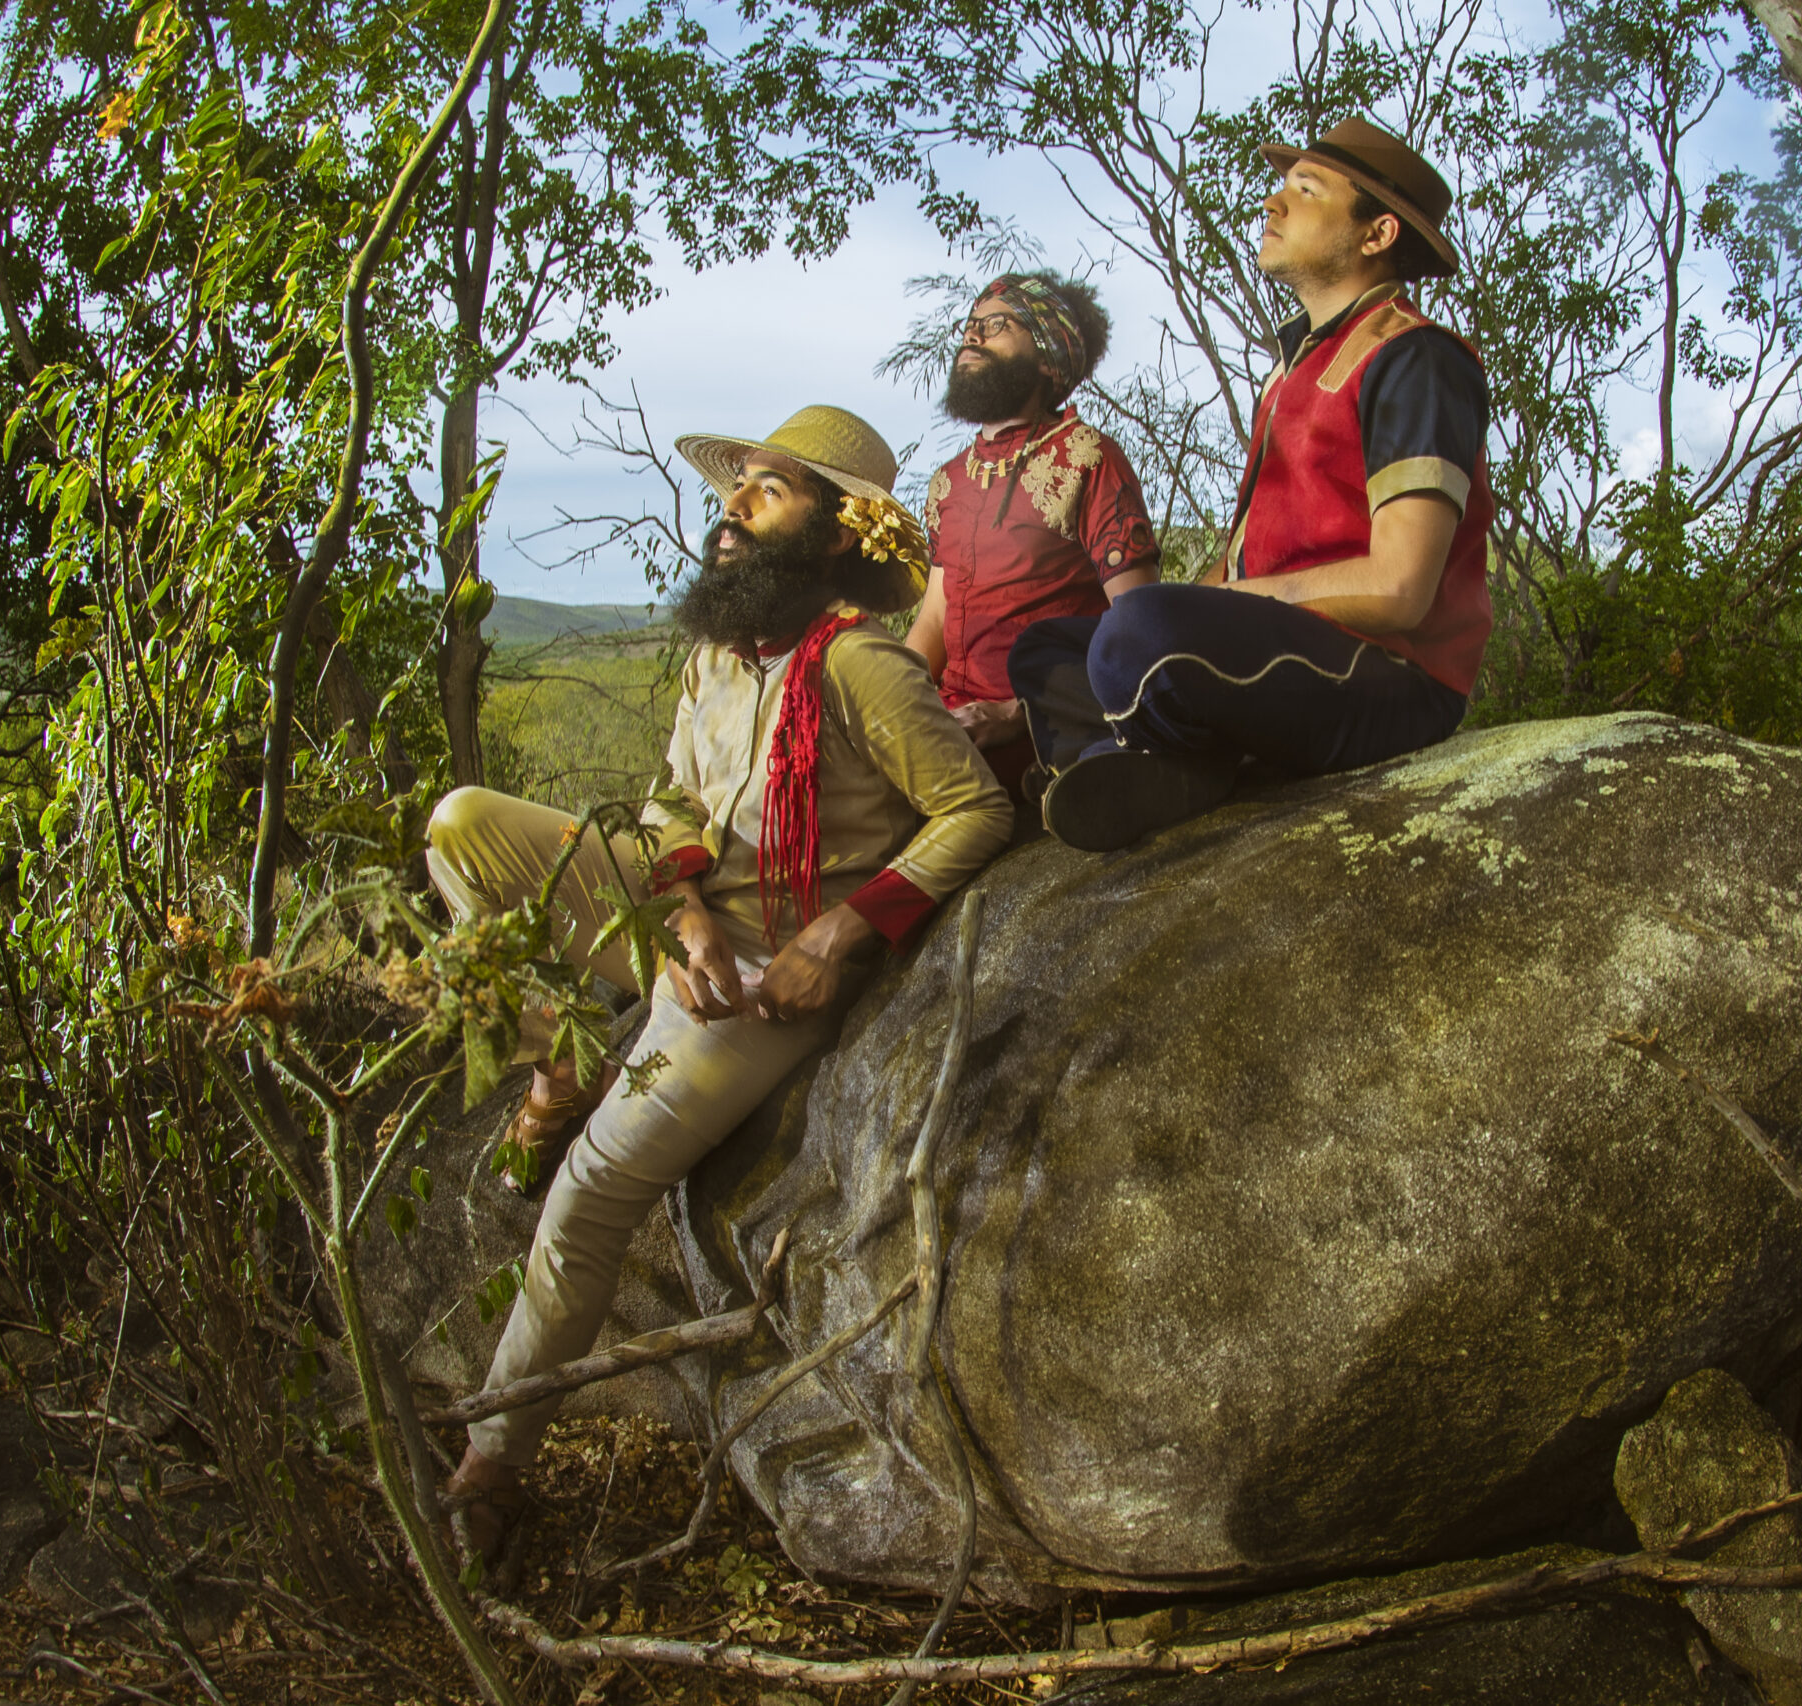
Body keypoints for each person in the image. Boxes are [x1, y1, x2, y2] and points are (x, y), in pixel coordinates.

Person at [422, 405, 1012, 1559]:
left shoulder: (860, 662)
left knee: (589, 1191)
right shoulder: (713, 656)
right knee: (462, 827)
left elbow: (974, 810)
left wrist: (839, 934)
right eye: (737, 482)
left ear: (836, 532)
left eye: (771, 489)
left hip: (764, 977)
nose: (734, 505)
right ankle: (558, 1050)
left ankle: (494, 1458)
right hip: (689, 930)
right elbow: (672, 810)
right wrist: (677, 914)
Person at [1009, 116, 1494, 852]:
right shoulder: (1293, 369)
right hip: (1288, 651)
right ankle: (1155, 771)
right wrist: (1204, 599)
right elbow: (1244, 560)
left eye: (1305, 189)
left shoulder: (1414, 358)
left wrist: (1212, 605)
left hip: (1391, 674)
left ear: (1378, 234)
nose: (1273, 203)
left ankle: (1165, 760)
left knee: (1137, 629)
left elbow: (1402, 589)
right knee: (1044, 650)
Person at [904, 271, 1161, 795]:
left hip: (1038, 723)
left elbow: (1140, 623)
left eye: (997, 324)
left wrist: (1013, 715)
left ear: (1048, 357)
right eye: (971, 324)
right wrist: (883, 702)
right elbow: (933, 618)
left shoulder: (1088, 457)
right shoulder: (947, 482)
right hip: (947, 720)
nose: (973, 335)